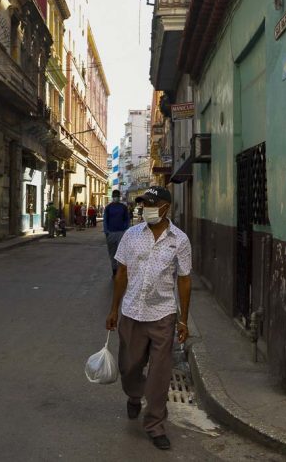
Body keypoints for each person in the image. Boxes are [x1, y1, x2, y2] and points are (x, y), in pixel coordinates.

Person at [105, 186, 192, 451]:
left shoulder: (180, 240)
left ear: (166, 207)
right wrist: (113, 310)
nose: (146, 209)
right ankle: (133, 395)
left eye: (151, 205)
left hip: (162, 314)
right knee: (129, 367)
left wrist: (183, 320)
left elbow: (184, 280)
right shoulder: (131, 236)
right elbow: (121, 274)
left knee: (160, 373)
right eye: (143, 205)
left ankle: (155, 424)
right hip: (131, 312)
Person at [103, 190, 131, 277]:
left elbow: (127, 219)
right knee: (112, 253)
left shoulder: (123, 207)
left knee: (121, 253)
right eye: (114, 196)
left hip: (121, 233)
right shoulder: (108, 208)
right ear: (112, 197)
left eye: (117, 196)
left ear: (119, 197)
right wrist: (106, 232)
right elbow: (105, 221)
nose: (115, 197)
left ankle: (120, 271)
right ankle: (114, 270)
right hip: (111, 233)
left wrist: (126, 231)